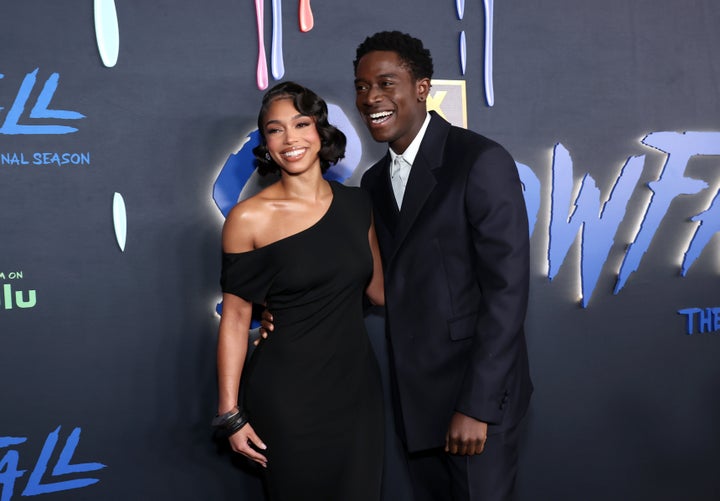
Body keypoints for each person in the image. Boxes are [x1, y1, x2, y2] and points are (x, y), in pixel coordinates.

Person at [353, 31, 533, 501]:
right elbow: (381, 281)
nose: (371, 97)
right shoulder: (372, 182)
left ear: (422, 87)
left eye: (386, 83)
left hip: (475, 400)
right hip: (416, 403)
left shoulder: (479, 160)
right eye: (361, 86)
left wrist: (477, 406)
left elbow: (507, 292)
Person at [214, 81, 385, 501]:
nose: (290, 139)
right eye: (275, 129)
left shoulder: (359, 204)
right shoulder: (247, 218)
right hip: (287, 397)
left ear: (319, 131)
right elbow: (236, 320)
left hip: (356, 392)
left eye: (301, 124)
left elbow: (381, 292)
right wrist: (229, 413)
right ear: (266, 143)